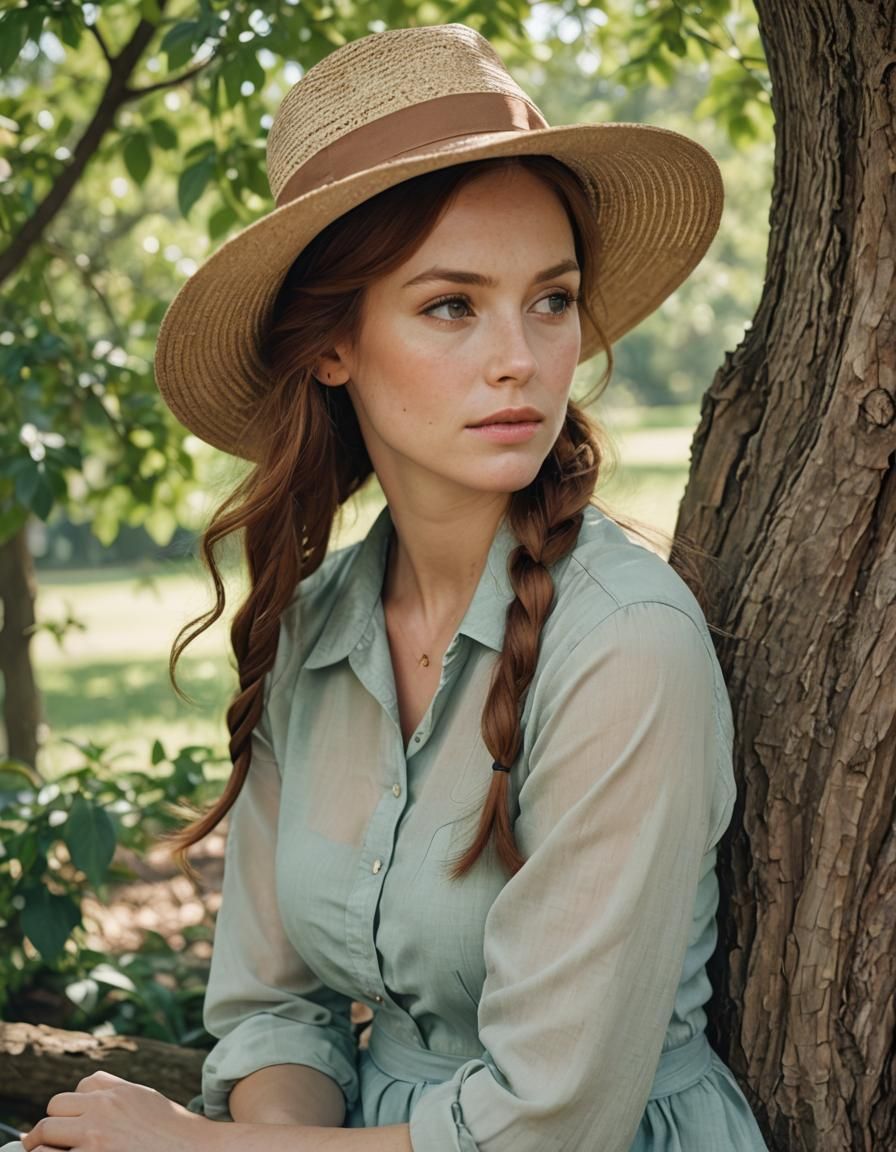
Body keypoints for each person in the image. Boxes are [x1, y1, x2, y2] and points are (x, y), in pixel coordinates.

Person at [12, 21, 770, 1152]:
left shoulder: (626, 650)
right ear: (332, 347)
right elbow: (275, 1014)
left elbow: (546, 1127)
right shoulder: (316, 630)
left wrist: (206, 1150)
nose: (519, 356)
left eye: (550, 299)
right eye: (450, 305)